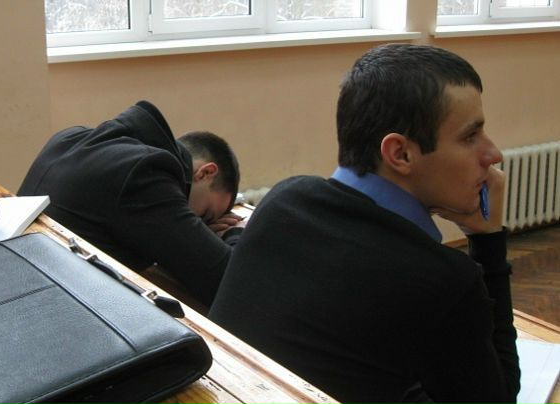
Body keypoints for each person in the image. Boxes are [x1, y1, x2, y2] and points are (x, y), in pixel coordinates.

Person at [209, 44, 519, 403]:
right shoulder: (442, 280)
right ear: (400, 154)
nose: (493, 154)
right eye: (470, 136)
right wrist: (488, 240)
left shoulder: (284, 199)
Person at [18, 100, 243, 306]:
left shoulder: (71, 138)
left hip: (25, 286)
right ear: (205, 173)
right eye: (206, 216)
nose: (203, 224)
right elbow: (231, 285)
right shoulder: (145, 173)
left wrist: (199, 235)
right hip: (54, 305)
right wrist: (234, 232)